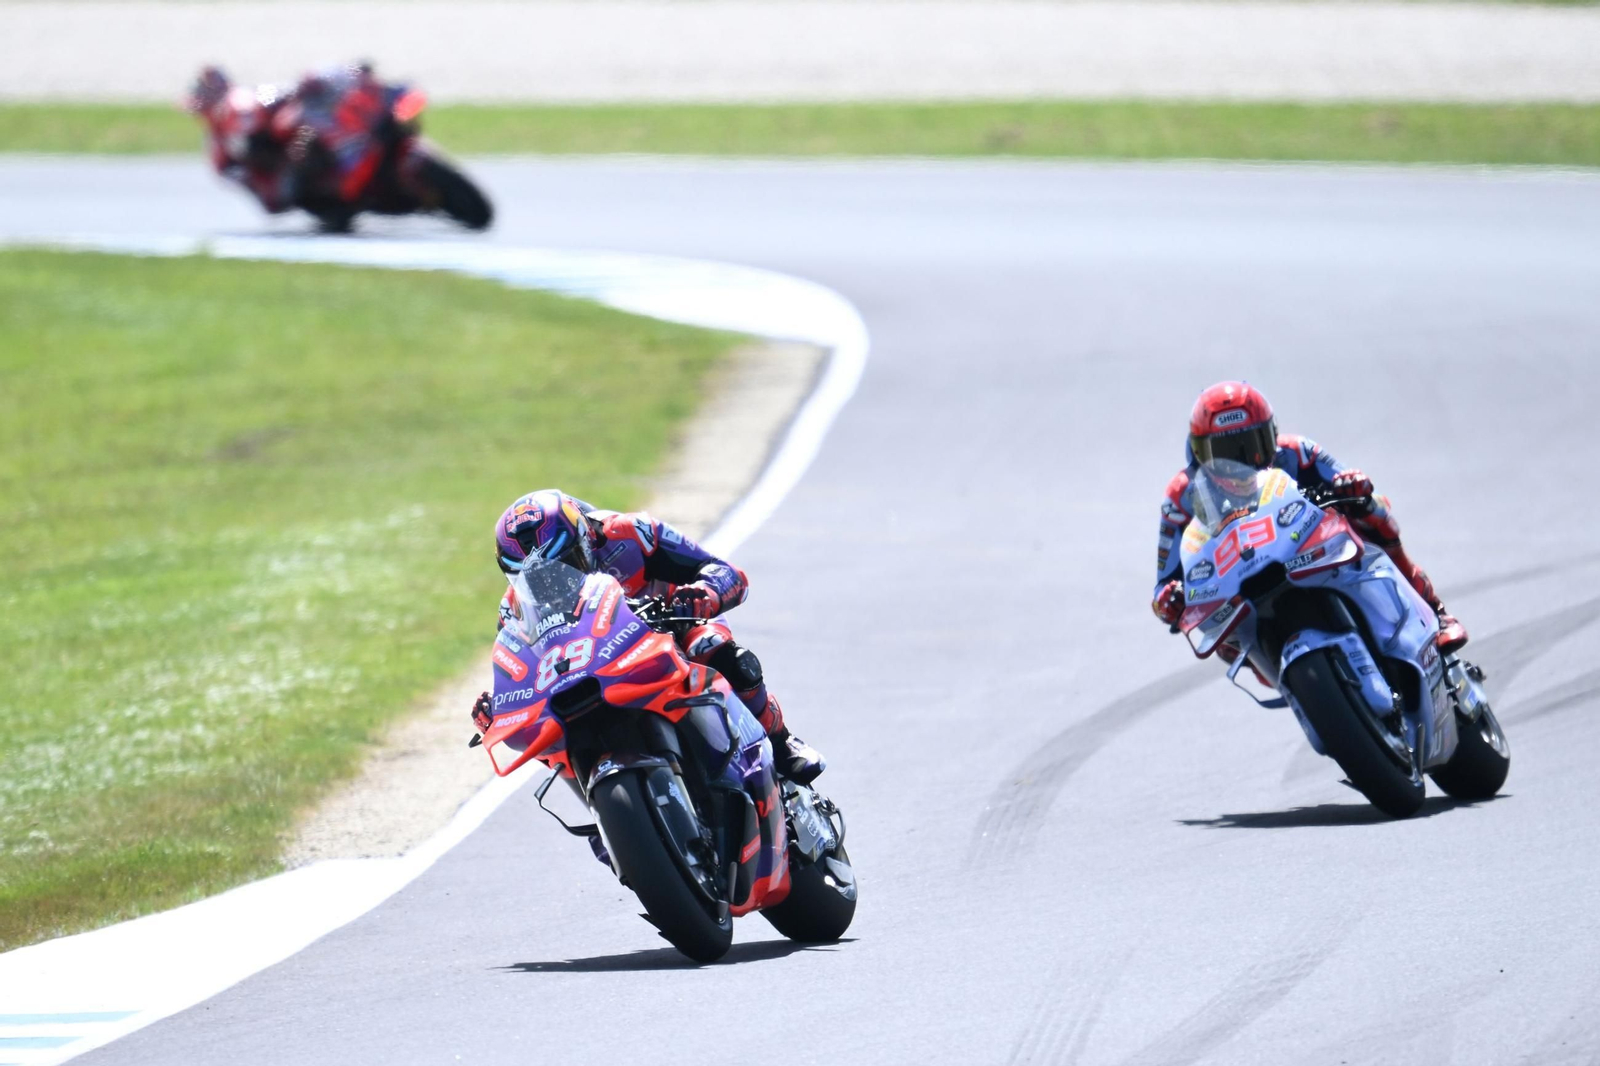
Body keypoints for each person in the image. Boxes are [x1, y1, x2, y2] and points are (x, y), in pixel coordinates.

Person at [471, 489, 826, 784]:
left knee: (712, 647)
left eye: (563, 564)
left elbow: (728, 573)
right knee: (548, 736)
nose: (551, 584)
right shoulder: (513, 609)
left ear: (584, 537)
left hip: (671, 627)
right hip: (596, 666)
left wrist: (704, 593)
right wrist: (498, 708)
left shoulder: (631, 533)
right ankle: (604, 825)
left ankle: (780, 742)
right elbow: (519, 666)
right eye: (534, 578)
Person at [1151, 381, 1468, 653]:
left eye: (1251, 449)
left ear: (1271, 437)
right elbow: (1164, 584)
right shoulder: (1181, 496)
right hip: (1242, 581)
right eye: (1224, 455)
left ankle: (1437, 614)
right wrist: (1169, 599)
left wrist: (1351, 486)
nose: (1240, 465)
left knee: (1371, 508)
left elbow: (1349, 481)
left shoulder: (1299, 452)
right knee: (1216, 633)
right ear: (1198, 454)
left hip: (1314, 551)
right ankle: (1290, 679)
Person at [184, 66, 297, 213]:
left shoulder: (240, 99)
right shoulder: (217, 132)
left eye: (206, 92)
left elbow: (285, 92)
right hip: (273, 166)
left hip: (287, 139)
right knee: (271, 201)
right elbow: (223, 168)